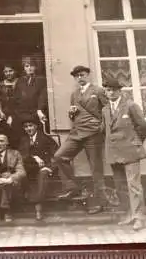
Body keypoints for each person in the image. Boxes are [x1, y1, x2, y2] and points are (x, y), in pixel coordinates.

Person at [52, 65, 109, 215]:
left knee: (96, 168)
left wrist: (101, 129)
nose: (79, 78)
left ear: (88, 75)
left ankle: (100, 203)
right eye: (76, 76)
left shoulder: (98, 91)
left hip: (93, 133)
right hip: (77, 132)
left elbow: (107, 110)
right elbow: (75, 114)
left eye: (82, 75)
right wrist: (71, 114)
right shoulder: (74, 94)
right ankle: (73, 187)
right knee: (59, 156)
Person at [102, 77, 146, 231]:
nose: (110, 93)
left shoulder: (130, 106)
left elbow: (143, 127)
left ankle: (139, 218)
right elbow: (105, 129)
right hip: (114, 152)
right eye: (108, 90)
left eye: (113, 90)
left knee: (134, 185)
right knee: (121, 186)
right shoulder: (105, 109)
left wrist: (135, 142)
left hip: (130, 151)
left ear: (119, 91)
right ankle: (129, 214)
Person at [18, 115, 58, 221]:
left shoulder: (45, 138)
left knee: (42, 175)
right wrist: (34, 157)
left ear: (36, 126)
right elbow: (21, 155)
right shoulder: (24, 140)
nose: (28, 129)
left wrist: (50, 168)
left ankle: (38, 208)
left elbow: (57, 155)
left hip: (44, 168)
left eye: (31, 126)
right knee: (22, 174)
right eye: (26, 127)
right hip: (30, 168)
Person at [11, 56, 48, 148]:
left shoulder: (41, 80)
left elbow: (42, 96)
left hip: (34, 113)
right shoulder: (20, 81)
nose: (29, 68)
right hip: (21, 114)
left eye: (32, 66)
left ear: (35, 67)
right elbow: (15, 98)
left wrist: (39, 110)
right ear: (24, 68)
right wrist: (11, 114)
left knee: (35, 138)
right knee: (20, 138)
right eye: (27, 66)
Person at [0, 63, 18, 141]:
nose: (8, 73)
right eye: (6, 72)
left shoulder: (20, 82)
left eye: (10, 71)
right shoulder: (0, 85)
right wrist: (0, 112)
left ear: (15, 71)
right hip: (5, 114)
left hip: (18, 113)